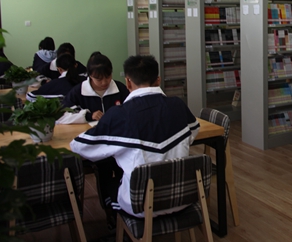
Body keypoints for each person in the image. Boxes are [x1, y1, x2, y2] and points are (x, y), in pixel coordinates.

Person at [70, 55, 200, 220]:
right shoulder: (178, 105)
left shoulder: (118, 115)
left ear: (128, 82)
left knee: (107, 178)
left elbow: (79, 147)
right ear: (158, 80)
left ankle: (115, 227)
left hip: (141, 206)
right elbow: (193, 131)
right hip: (183, 198)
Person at [63, 52, 129, 121]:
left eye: (108, 77)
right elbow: (64, 114)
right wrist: (88, 116)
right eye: (99, 79)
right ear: (90, 76)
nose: (104, 82)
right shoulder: (78, 91)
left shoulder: (120, 89)